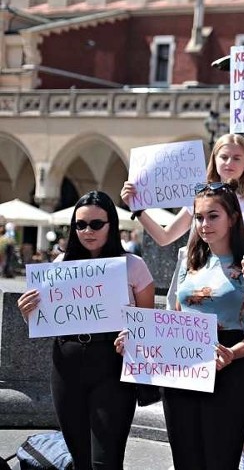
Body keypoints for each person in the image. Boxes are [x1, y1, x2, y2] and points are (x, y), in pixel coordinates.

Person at [17, 191, 155, 469]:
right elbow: (44, 320)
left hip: (112, 364)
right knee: (79, 459)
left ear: (111, 226)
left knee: (106, 460)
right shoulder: (59, 266)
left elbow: (148, 325)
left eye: (95, 224)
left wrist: (135, 334)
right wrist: (27, 312)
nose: (87, 231)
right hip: (66, 363)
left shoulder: (134, 266)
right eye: (80, 225)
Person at [154, 180, 244, 470]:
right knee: (186, 460)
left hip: (229, 370)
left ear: (232, 217)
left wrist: (234, 353)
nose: (204, 224)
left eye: (213, 216)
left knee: (220, 460)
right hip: (183, 371)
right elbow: (177, 318)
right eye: (199, 217)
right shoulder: (189, 260)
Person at [121, 133, 244, 243]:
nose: (229, 163)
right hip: (193, 275)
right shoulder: (199, 198)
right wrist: (138, 209)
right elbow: (165, 237)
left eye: (236, 158)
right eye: (224, 157)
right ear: (214, 160)